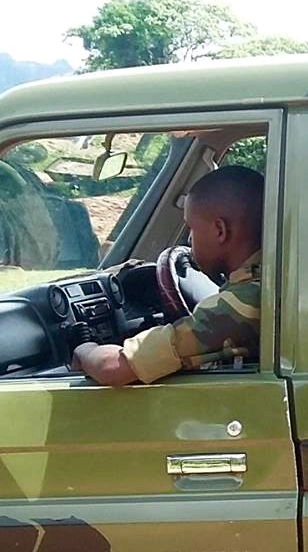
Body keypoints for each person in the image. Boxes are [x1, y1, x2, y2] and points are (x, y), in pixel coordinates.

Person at [72, 164, 264, 387]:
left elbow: (112, 367)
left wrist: (84, 350)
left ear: (220, 230)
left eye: (191, 227)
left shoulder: (242, 304)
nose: (190, 239)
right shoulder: (269, 284)